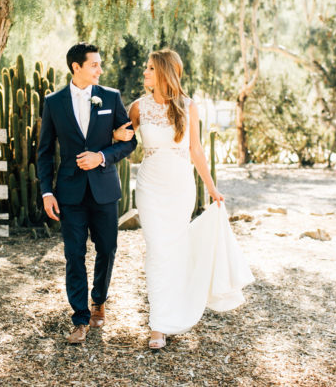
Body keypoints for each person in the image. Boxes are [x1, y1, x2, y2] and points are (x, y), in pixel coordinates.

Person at [114, 48, 254, 349]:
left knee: (174, 251)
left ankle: (170, 312)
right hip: (149, 185)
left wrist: (212, 188)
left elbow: (196, 151)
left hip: (179, 186)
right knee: (156, 249)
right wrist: (117, 136)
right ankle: (158, 325)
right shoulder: (138, 107)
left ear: (164, 72)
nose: (145, 73)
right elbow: (122, 138)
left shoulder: (188, 106)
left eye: (150, 68)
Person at [36, 42, 138, 344]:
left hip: (104, 189)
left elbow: (130, 141)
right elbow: (44, 152)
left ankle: (99, 300)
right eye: (94, 64)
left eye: (100, 64)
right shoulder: (53, 102)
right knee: (74, 255)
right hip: (69, 192)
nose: (100, 69)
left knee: (106, 249)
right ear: (76, 67)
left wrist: (102, 156)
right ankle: (80, 318)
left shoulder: (110, 97)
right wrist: (46, 192)